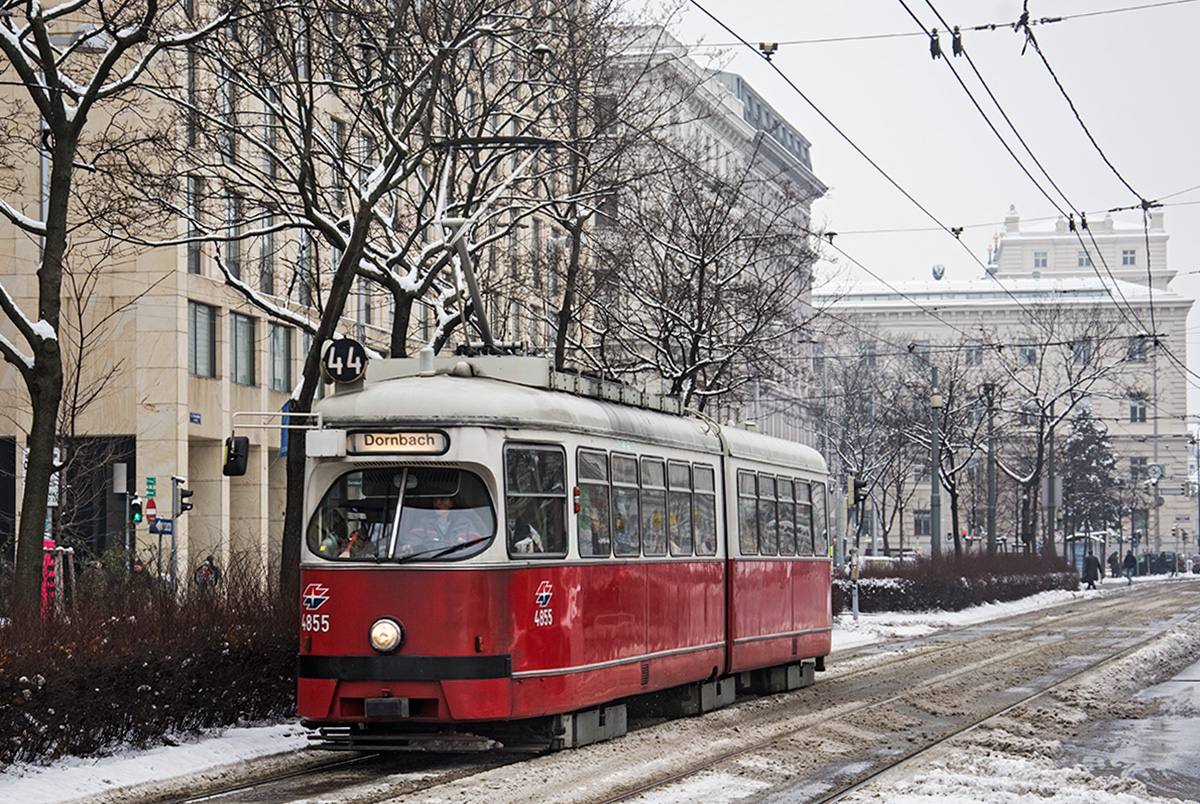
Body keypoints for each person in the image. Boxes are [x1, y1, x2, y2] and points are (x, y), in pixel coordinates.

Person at [401, 496, 485, 555]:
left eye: (442, 500)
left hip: (459, 562)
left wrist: (464, 547)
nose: (438, 504)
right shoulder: (425, 522)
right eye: (435, 501)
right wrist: (409, 545)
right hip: (433, 563)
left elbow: (477, 543)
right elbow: (414, 537)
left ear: (451, 504)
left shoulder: (464, 522)